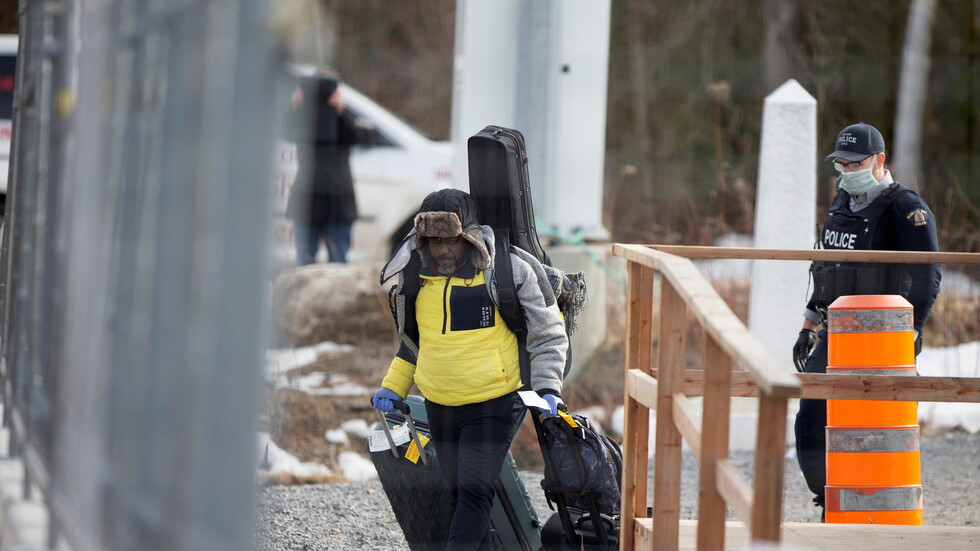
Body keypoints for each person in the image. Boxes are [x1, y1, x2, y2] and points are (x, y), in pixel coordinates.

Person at [372, 188, 568, 550]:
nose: (443, 248)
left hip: (494, 400)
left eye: (451, 240)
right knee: (457, 491)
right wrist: (393, 386)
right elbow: (414, 342)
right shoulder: (414, 281)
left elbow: (547, 334)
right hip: (440, 401)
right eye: (434, 240)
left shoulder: (508, 270)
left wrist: (548, 388)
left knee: (474, 493)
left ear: (470, 236)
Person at [793, 122, 941, 518]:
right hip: (836, 332)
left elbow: (929, 275)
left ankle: (877, 512)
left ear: (880, 160)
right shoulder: (841, 200)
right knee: (810, 421)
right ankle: (831, 501)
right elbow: (828, 268)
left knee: (873, 429)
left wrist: (911, 330)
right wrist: (809, 325)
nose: (847, 172)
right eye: (840, 164)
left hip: (881, 337)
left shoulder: (906, 208)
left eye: (855, 164)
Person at [284, 71, 358, 264]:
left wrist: (342, 111)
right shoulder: (303, 115)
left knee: (338, 265)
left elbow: (354, 137)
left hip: (339, 199)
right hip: (307, 196)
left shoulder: (342, 116)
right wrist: (296, 107)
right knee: (304, 264)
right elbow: (286, 133)